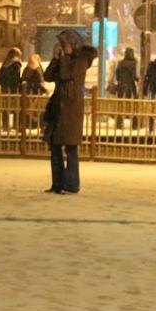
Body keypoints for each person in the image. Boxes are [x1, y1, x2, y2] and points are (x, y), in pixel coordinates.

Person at [42, 29, 97, 194]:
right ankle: (57, 183)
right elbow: (48, 76)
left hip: (71, 109)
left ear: (73, 44)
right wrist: (55, 60)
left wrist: (64, 58)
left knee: (71, 148)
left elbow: (66, 75)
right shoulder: (64, 59)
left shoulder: (81, 60)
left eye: (65, 44)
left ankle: (72, 184)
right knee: (55, 146)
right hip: (58, 107)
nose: (63, 47)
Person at [0, 47, 23, 130]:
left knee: (5, 108)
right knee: (16, 108)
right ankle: (16, 126)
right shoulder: (16, 63)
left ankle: (5, 126)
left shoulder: (6, 63)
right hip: (14, 89)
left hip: (5, 88)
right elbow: (16, 78)